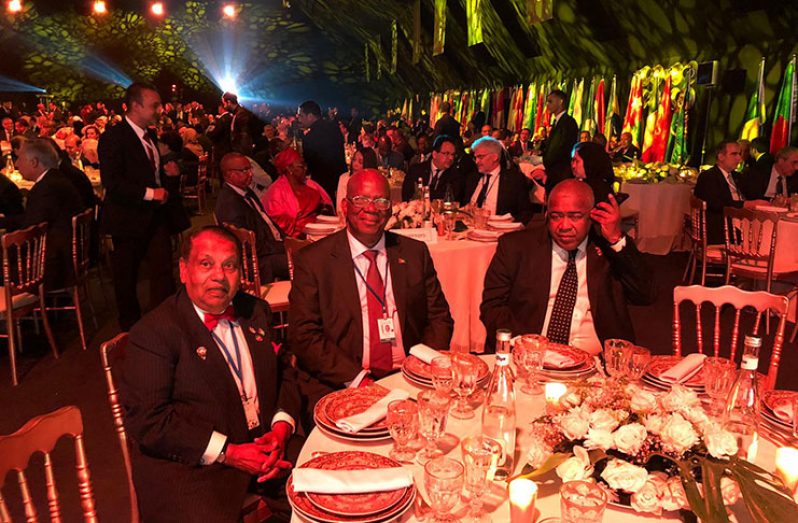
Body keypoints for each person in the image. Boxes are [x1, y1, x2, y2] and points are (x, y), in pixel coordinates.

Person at [118, 226, 301, 522]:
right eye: (206, 264)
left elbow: (286, 373)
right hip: (195, 465)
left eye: (229, 266)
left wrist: (280, 429)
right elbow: (149, 421)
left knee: (336, 486)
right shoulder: (154, 332)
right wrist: (230, 452)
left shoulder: (255, 310)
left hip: (267, 445)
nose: (219, 276)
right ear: (183, 270)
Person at [289, 169, 453, 398]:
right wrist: (359, 380)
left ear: (390, 208)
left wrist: (421, 365)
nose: (372, 208)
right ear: (345, 206)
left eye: (381, 201)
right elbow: (303, 335)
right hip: (344, 382)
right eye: (361, 199)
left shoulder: (414, 253)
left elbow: (440, 317)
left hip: (410, 377)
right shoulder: (314, 261)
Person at [480, 180, 656, 354]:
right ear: (547, 214)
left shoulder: (607, 250)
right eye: (556, 216)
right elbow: (492, 307)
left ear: (592, 216)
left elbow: (645, 295)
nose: (564, 226)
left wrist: (615, 238)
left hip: (597, 363)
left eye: (575, 216)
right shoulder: (516, 248)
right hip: (531, 358)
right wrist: (523, 344)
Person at [98, 81, 190, 330]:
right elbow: (113, 182)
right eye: (155, 105)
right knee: (126, 276)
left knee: (162, 271)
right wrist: (151, 193)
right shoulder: (113, 137)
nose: (160, 110)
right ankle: (131, 329)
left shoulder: (148, 135)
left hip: (155, 216)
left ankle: (164, 323)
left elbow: (147, 172)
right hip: (127, 218)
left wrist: (168, 174)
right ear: (136, 106)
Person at [2, 138, 83, 290]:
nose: (17, 164)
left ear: (34, 162)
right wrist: (5, 222)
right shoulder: (56, 180)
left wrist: (5, 247)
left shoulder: (46, 188)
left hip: (52, 265)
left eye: (19, 159)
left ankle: (12, 309)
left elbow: (30, 231)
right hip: (64, 255)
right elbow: (33, 218)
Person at [216, 152, 288, 283]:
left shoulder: (245, 191)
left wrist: (286, 240)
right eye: (244, 170)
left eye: (250, 169)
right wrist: (282, 246)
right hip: (259, 261)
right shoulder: (229, 203)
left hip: (270, 248)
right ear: (229, 174)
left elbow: (266, 221)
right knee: (304, 262)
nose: (250, 174)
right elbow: (248, 246)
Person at [694, 141, 768, 245]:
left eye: (739, 154)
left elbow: (753, 194)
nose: (739, 159)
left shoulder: (737, 176)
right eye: (734, 154)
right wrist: (745, 205)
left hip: (740, 220)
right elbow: (716, 204)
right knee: (763, 235)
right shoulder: (708, 177)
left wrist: (770, 201)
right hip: (720, 226)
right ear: (721, 156)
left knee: (766, 228)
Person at [262, 147, 333, 238]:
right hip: (295, 239)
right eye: (301, 166)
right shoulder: (276, 193)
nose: (305, 168)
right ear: (289, 169)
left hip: (318, 230)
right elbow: (279, 225)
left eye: (305, 165)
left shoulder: (310, 184)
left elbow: (326, 205)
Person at [463, 137, 534, 224]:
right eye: (475, 158)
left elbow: (526, 213)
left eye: (480, 157)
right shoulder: (473, 178)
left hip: (501, 232)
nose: (477, 161)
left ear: (494, 157)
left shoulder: (514, 180)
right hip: (470, 229)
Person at [297, 100, 346, 201]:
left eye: (301, 116)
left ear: (310, 116)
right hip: (340, 180)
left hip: (322, 185)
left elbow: (309, 164)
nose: (299, 119)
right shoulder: (334, 128)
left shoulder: (310, 137)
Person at [402, 135, 463, 202]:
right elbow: (406, 195)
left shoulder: (455, 175)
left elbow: (449, 198)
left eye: (453, 154)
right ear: (434, 154)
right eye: (447, 153)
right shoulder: (416, 170)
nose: (451, 158)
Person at [541, 90, 578, 194]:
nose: (547, 105)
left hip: (561, 173)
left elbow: (563, 147)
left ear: (560, 101)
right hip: (553, 172)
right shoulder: (557, 122)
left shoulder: (568, 122)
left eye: (550, 101)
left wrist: (547, 159)